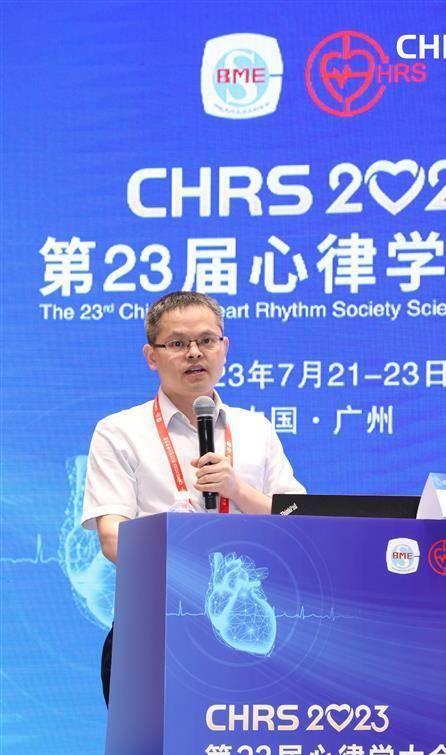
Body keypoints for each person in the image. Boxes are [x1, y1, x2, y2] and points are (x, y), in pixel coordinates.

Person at [82, 290, 305, 703]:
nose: (194, 353)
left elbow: (298, 520)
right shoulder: (119, 432)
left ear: (225, 348)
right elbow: (112, 538)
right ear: (151, 356)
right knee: (151, 746)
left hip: (246, 624)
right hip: (154, 625)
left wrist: (238, 490)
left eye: (206, 340)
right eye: (177, 343)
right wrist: (183, 543)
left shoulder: (256, 429)